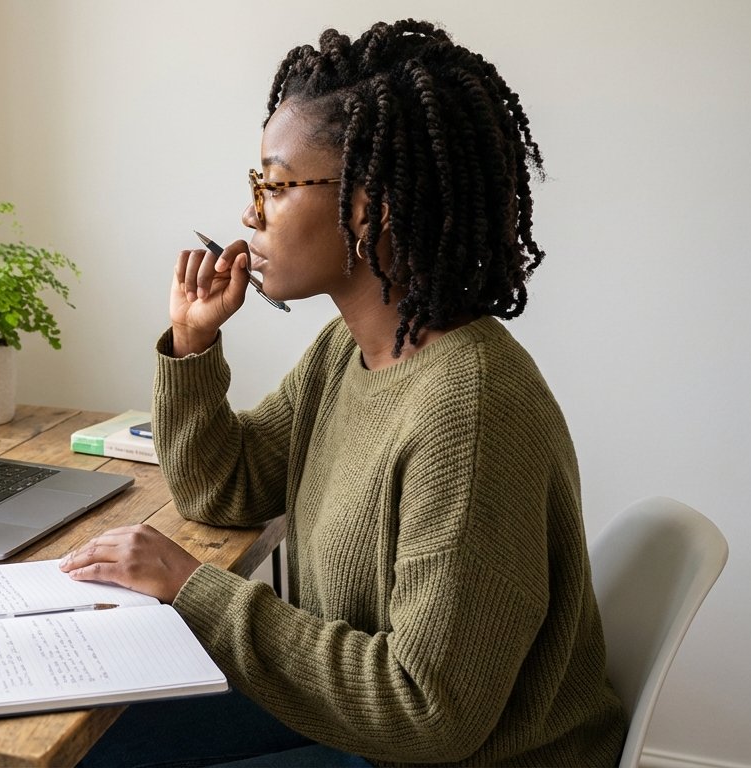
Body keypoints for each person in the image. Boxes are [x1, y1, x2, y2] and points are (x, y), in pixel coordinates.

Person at [63, 18, 628, 767]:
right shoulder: (349, 352)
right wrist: (193, 345)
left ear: (371, 207)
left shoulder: (472, 410)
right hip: (362, 719)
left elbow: (428, 710)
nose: (250, 213)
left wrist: (192, 587)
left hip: (437, 751)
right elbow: (222, 489)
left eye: (274, 183)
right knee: (90, 741)